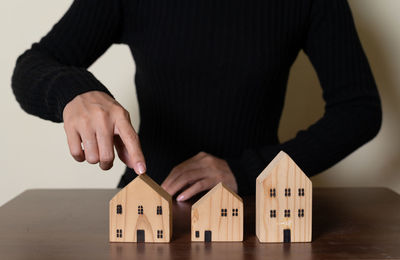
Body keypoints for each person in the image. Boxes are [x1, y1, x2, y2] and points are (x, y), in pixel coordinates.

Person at [12, 0, 382, 200]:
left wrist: (247, 171)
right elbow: (34, 64)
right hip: (146, 205)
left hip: (252, 215)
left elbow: (360, 110)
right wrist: (75, 90)